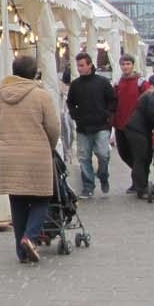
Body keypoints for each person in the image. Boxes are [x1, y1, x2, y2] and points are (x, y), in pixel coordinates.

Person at [0, 55, 61, 264]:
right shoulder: (41, 96)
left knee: (17, 201)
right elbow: (53, 128)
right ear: (34, 73)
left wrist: (6, 142)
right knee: (41, 198)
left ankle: (21, 253)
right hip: (37, 154)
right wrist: (49, 145)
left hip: (10, 156)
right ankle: (29, 237)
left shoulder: (0, 96)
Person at [64, 51, 116, 198]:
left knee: (103, 154)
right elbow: (70, 102)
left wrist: (108, 115)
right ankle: (88, 186)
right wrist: (75, 115)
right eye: (78, 66)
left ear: (90, 65)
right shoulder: (76, 84)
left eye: (82, 65)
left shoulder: (102, 82)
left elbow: (112, 100)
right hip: (83, 127)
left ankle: (103, 174)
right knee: (84, 157)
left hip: (101, 125)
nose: (79, 68)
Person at [124, 76, 154, 200]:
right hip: (137, 130)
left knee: (144, 158)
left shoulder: (153, 95)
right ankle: (141, 188)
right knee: (141, 158)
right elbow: (152, 115)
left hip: (138, 129)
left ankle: (143, 186)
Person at [112, 54, 149, 194]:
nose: (125, 67)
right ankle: (140, 178)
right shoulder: (118, 83)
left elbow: (149, 99)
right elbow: (113, 102)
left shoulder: (140, 82)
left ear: (133, 65)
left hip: (137, 126)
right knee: (124, 153)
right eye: (123, 64)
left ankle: (139, 184)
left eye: (128, 64)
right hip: (121, 125)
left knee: (138, 155)